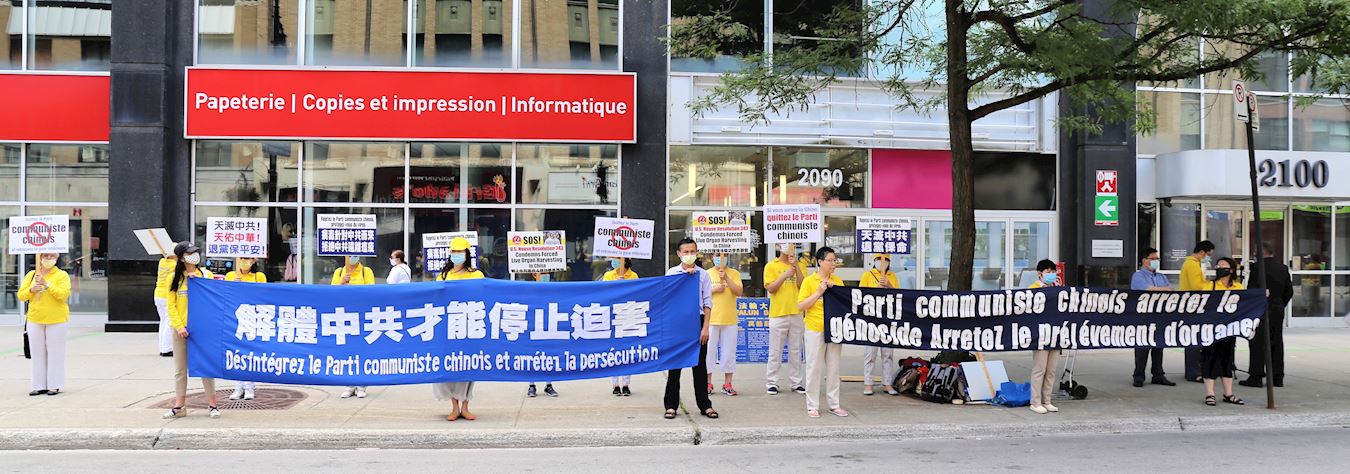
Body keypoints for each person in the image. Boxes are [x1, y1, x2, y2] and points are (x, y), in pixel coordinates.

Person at [163, 242, 220, 419]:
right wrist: (179, 326)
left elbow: (213, 298)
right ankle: (179, 406)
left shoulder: (206, 274)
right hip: (180, 330)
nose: (194, 256)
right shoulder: (173, 278)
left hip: (202, 330)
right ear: (181, 258)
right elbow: (170, 306)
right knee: (180, 370)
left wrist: (199, 282)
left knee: (205, 367)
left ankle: (213, 405)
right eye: (189, 253)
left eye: (195, 252)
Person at [664, 238, 717, 420]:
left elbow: (708, 302)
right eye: (685, 252)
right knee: (675, 366)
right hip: (678, 322)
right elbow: (667, 298)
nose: (689, 255)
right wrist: (685, 279)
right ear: (678, 254)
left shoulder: (703, 275)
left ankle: (705, 405)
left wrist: (705, 328)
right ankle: (671, 405)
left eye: (692, 251)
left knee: (699, 366)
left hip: (698, 321)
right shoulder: (672, 273)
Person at [433, 237, 486, 421]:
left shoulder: (477, 275)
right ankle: (454, 407)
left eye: (460, 252)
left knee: (468, 367)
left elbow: (484, 297)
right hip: (449, 327)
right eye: (453, 252)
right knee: (452, 367)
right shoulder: (444, 276)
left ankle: (465, 406)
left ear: (467, 254)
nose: (456, 255)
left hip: (471, 326)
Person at [797, 247, 847, 418]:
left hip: (834, 330)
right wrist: (819, 293)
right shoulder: (809, 281)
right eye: (830, 260)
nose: (834, 264)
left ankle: (834, 404)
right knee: (814, 368)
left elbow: (845, 304)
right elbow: (801, 306)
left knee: (834, 368)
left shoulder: (838, 281)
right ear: (820, 262)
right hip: (815, 328)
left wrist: (835, 290)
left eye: (835, 260)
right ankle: (812, 405)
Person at [1241, 242, 1293, 388]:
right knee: (1276, 342)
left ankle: (1256, 376)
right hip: (1277, 309)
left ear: (1260, 252)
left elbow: (1252, 290)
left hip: (1260, 309)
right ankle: (1277, 377)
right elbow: (1289, 291)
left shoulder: (1257, 268)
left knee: (1257, 342)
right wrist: (1280, 303)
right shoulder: (1282, 268)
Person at [18, 252, 71, 396]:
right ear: (39, 257)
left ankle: (54, 384)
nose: (48, 259)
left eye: (51, 256)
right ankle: (38, 385)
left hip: (56, 319)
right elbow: (21, 295)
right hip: (35, 318)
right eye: (45, 256)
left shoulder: (61, 275)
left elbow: (63, 295)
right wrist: (31, 290)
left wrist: (47, 285)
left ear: (57, 257)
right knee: (37, 353)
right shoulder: (32, 275)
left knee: (55, 353)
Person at [1202, 257, 1245, 407]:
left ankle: (1228, 393)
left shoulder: (1238, 287)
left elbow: (1246, 303)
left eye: (1223, 266)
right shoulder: (1210, 286)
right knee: (1210, 359)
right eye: (1218, 266)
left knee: (1227, 360)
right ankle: (1210, 394)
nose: (1220, 268)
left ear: (1231, 270)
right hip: (1212, 329)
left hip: (1230, 329)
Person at [763, 243, 806, 395]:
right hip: (778, 313)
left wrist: (796, 267)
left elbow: (803, 285)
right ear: (778, 245)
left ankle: (796, 382)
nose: (789, 246)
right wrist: (785, 275)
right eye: (785, 243)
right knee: (775, 350)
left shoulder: (801, 264)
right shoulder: (771, 266)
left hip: (797, 312)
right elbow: (770, 288)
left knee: (796, 350)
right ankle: (772, 382)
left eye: (791, 243)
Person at [1131, 248, 1176, 387]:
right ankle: (1139, 376)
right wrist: (1164, 290)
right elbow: (1146, 289)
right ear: (1145, 261)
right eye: (1153, 259)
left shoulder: (1161, 277)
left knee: (1159, 346)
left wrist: (1166, 290)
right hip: (1144, 317)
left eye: (1157, 259)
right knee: (1142, 347)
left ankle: (1158, 374)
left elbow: (1170, 290)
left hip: (1160, 316)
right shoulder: (1138, 275)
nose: (1156, 261)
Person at [333, 255, 375, 399]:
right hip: (344, 317)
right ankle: (349, 385)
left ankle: (362, 385)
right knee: (347, 351)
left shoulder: (366, 271)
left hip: (362, 317)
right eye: (349, 255)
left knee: (362, 350)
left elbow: (372, 293)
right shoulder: (339, 272)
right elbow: (331, 293)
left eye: (354, 255)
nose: (352, 258)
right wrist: (341, 283)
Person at [225, 257, 267, 401]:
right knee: (236, 353)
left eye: (247, 258)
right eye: (242, 258)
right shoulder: (230, 275)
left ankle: (249, 387)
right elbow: (226, 294)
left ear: (254, 260)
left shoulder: (259, 276)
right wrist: (234, 284)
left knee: (249, 353)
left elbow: (262, 295)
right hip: (235, 319)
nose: (244, 261)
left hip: (253, 318)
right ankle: (238, 387)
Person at [860, 254, 899, 396]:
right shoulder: (867, 275)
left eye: (886, 260)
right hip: (871, 318)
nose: (882, 262)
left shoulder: (892, 276)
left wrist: (889, 285)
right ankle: (868, 383)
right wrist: (875, 289)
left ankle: (887, 383)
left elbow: (899, 296)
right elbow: (860, 295)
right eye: (879, 259)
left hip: (887, 319)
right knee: (870, 353)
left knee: (887, 354)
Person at [706, 253, 743, 396]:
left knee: (729, 352)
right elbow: (698, 293)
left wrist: (726, 277)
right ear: (712, 257)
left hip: (729, 319)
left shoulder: (734, 273)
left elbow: (739, 291)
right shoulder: (706, 274)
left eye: (724, 255)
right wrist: (714, 289)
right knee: (708, 352)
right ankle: (708, 383)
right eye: (718, 255)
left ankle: (728, 383)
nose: (721, 258)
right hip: (711, 319)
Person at [1179, 240, 1215, 383]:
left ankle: (1193, 370)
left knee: (1194, 339)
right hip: (1192, 306)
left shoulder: (1193, 263)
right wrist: (1212, 284)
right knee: (1193, 339)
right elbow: (1197, 286)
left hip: (1192, 305)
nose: (1209, 258)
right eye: (1208, 255)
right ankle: (1193, 372)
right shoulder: (1192, 264)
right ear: (1201, 252)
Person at [1027, 259, 1061, 414]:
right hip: (1040, 335)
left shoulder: (1057, 289)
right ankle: (1035, 402)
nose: (1051, 274)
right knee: (1040, 369)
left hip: (1055, 334)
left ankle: (1047, 400)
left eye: (1053, 272)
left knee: (1051, 370)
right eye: (1048, 272)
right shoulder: (1032, 289)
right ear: (1039, 274)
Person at [603, 257, 638, 396]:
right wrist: (615, 285)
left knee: (627, 352)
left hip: (628, 316)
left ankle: (626, 384)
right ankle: (615, 384)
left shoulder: (633, 276)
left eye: (618, 258)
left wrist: (626, 286)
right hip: (612, 316)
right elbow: (603, 293)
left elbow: (638, 293)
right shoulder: (608, 275)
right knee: (613, 351)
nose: (615, 260)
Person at [527, 271, 560, 398]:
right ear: (534, 275)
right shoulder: (528, 289)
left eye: (546, 273)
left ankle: (548, 385)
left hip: (549, 326)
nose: (545, 275)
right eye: (542, 273)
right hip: (533, 327)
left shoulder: (553, 289)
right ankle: (532, 385)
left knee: (548, 356)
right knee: (532, 357)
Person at [154, 251, 177, 357]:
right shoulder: (174, 265)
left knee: (163, 321)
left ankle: (162, 346)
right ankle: (167, 348)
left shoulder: (162, 262)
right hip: (166, 295)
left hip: (158, 294)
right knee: (169, 322)